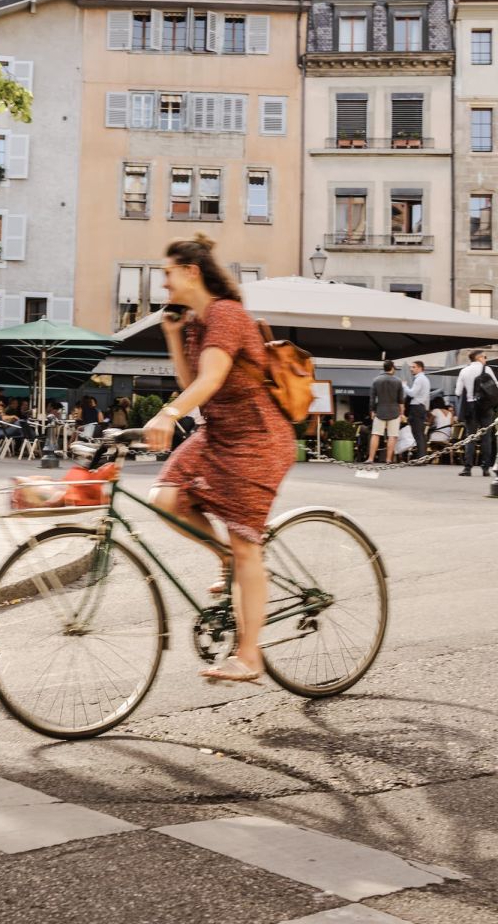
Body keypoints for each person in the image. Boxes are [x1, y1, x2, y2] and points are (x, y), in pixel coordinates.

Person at [143, 233, 294, 685]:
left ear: (191, 272)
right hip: (218, 432)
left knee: (248, 544)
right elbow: (192, 378)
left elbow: (210, 380)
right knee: (165, 498)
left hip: (257, 438)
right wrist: (173, 336)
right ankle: (223, 558)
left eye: (168, 273)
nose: (163, 283)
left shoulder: (226, 315)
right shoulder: (194, 323)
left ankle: (249, 656)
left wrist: (170, 413)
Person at [454, 350, 497, 476]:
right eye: (484, 357)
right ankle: (485, 468)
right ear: (478, 358)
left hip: (470, 406)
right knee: (486, 437)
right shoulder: (487, 370)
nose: (485, 359)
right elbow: (496, 387)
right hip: (485, 407)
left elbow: (457, 392)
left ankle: (467, 468)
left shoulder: (464, 371)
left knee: (470, 437)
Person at [368, 360, 405, 464]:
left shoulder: (376, 380)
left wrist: (372, 410)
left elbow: (372, 398)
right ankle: (388, 459)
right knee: (392, 436)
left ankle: (371, 458)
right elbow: (401, 400)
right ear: (392, 368)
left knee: (375, 434)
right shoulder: (398, 381)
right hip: (394, 411)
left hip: (380, 410)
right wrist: (402, 413)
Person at [402, 360, 431, 459]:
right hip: (421, 407)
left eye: (413, 367)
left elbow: (412, 393)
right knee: (420, 434)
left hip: (416, 407)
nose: (411, 369)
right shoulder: (425, 379)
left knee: (418, 434)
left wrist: (404, 386)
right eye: (411, 367)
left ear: (420, 368)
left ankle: (421, 457)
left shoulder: (419, 379)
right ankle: (422, 456)